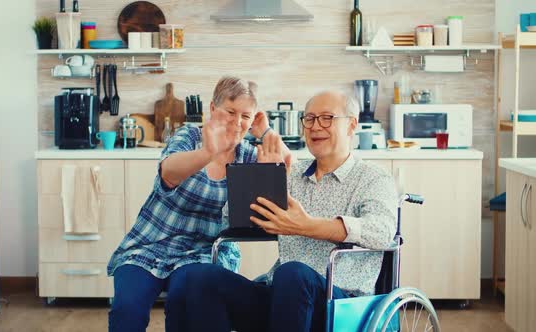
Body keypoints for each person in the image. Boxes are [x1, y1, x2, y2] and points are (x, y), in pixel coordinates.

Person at [181, 91, 398, 332]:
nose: (316, 127)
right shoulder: (293, 173)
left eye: (326, 118)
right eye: (310, 118)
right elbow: (232, 219)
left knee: (293, 273)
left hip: (340, 303)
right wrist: (260, 180)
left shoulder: (373, 178)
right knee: (196, 277)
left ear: (351, 125)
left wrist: (307, 226)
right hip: (282, 296)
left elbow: (382, 231)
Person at [106, 76, 289, 332]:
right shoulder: (189, 137)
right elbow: (168, 172)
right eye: (230, 112)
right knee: (128, 308)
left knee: (186, 303)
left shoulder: (249, 155)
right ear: (213, 109)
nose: (237, 123)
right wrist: (208, 153)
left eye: (246, 116)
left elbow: (288, 168)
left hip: (205, 250)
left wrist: (266, 131)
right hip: (152, 243)